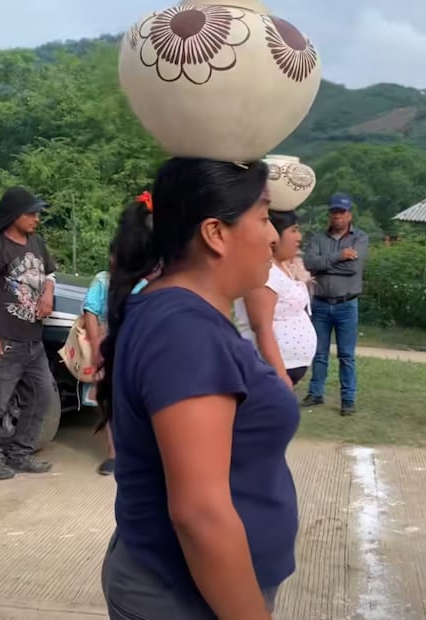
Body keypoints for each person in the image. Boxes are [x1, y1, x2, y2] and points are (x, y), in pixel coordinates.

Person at [97, 159, 298, 617]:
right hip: (187, 597)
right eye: (264, 216)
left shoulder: (176, 311)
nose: (273, 235)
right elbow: (200, 514)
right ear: (215, 233)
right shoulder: (185, 332)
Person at [81, 230, 154, 477]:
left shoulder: (145, 282)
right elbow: (91, 311)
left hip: (135, 348)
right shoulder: (102, 281)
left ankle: (139, 451)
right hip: (108, 346)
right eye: (114, 254)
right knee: (110, 402)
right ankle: (113, 454)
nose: (116, 259)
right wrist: (95, 345)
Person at [0, 187, 56, 480]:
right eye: (30, 213)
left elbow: (51, 274)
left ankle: (19, 454)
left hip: (34, 340)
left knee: (42, 395)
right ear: (12, 215)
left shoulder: (36, 242)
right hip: (5, 339)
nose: (36, 218)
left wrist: (47, 292)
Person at [302, 192, 369, 414]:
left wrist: (324, 264)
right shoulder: (317, 238)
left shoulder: (360, 238)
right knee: (319, 352)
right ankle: (315, 393)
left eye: (341, 212)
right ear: (329, 214)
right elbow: (310, 263)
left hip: (346, 304)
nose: (337, 216)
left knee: (346, 355)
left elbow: (353, 269)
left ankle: (348, 399)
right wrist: (340, 256)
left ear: (349, 215)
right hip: (320, 303)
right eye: (334, 212)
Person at [235, 209, 317, 388]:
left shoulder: (282, 267)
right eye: (294, 230)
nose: (299, 237)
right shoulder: (265, 273)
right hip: (269, 372)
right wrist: (281, 377)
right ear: (273, 234)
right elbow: (262, 328)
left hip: (288, 368)